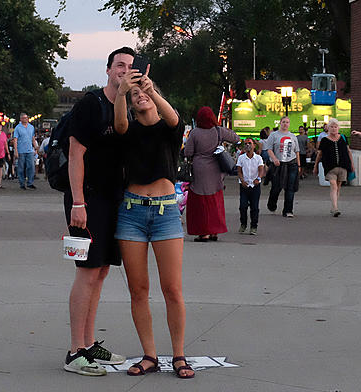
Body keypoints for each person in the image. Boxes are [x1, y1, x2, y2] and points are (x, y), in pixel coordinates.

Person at [113, 66, 194, 380]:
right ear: (131, 103)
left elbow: (173, 118)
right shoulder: (129, 130)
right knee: (138, 290)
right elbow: (119, 126)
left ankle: (179, 355)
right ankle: (149, 354)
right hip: (132, 212)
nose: (141, 96)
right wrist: (123, 92)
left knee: (172, 289)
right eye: (136, 95)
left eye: (145, 92)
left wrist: (150, 89)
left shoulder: (169, 128)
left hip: (165, 213)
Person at [63, 47, 132, 376]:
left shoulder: (126, 107)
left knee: (102, 272)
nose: (124, 71)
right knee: (87, 272)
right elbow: (76, 154)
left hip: (112, 199)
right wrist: (78, 202)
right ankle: (75, 351)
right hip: (87, 200)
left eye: (130, 67)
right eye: (120, 65)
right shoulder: (91, 104)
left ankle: (89, 343)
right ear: (108, 70)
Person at [183, 106, 238, 240]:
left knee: (200, 201)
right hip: (216, 170)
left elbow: (188, 152)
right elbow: (236, 138)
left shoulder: (195, 133)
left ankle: (204, 232)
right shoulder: (219, 131)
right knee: (215, 201)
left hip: (199, 169)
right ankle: (214, 231)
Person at [263, 115, 302, 217]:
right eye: (283, 122)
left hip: (291, 164)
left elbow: (296, 151)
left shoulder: (293, 136)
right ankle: (272, 205)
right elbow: (269, 149)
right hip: (278, 165)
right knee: (276, 187)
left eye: (287, 122)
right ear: (280, 123)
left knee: (290, 188)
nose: (285, 124)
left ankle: (288, 210)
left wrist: (298, 165)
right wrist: (274, 159)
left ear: (289, 124)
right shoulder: (274, 135)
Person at [318, 119, 352, 216]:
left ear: (338, 128)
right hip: (330, 167)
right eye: (331, 127)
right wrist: (316, 166)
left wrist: (351, 165)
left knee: (338, 186)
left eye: (335, 127)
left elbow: (348, 151)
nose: (333, 129)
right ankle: (335, 207)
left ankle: (334, 205)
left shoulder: (343, 138)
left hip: (342, 166)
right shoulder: (324, 140)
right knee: (333, 185)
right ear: (328, 128)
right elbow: (320, 154)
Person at [235, 138, 264, 234]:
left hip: (255, 186)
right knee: (243, 206)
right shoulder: (241, 158)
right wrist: (242, 180)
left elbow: (261, 170)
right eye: (246, 143)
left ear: (254, 146)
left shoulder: (258, 158)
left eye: (250, 143)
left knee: (254, 207)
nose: (248, 145)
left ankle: (254, 226)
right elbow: (239, 171)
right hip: (244, 185)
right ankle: (243, 224)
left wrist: (258, 179)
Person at [13, 113, 39, 189]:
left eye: (26, 118)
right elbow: (15, 140)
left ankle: (30, 182)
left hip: (30, 150)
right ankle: (22, 183)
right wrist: (16, 151)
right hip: (21, 150)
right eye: (23, 118)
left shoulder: (31, 127)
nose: (25, 119)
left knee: (31, 166)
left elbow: (33, 138)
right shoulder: (18, 128)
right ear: (20, 119)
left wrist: (36, 147)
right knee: (21, 167)